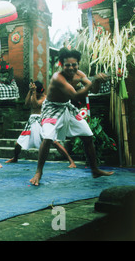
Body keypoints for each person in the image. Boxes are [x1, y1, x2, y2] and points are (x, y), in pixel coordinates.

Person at [29, 48, 114, 186]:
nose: (71, 68)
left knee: (88, 135)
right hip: (51, 109)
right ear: (62, 65)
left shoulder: (80, 74)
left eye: (74, 64)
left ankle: (94, 170)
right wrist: (94, 82)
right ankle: (39, 171)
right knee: (48, 137)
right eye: (67, 65)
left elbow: (95, 91)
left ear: (78, 64)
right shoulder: (57, 78)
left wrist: (97, 82)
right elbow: (75, 95)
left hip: (67, 107)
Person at [5, 80, 76, 168]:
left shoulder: (45, 98)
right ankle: (15, 158)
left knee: (54, 142)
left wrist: (34, 92)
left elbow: (35, 105)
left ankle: (71, 161)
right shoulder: (34, 95)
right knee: (18, 144)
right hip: (31, 122)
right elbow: (27, 104)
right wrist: (30, 91)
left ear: (39, 91)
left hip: (41, 121)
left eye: (35, 91)